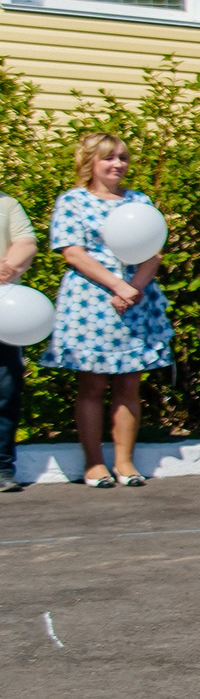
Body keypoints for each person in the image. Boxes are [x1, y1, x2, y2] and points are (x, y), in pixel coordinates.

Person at [43, 132, 174, 487]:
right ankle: (93, 464)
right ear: (90, 163)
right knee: (92, 385)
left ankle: (125, 463)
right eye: (108, 158)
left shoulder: (139, 201)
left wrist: (135, 287)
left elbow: (154, 249)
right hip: (92, 302)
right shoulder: (72, 201)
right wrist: (116, 285)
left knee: (129, 384)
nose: (117, 164)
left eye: (122, 157)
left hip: (135, 300)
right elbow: (72, 252)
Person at [0, 189, 37, 491]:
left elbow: (25, 242)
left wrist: (8, 268)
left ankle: (1, 468)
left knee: (5, 391)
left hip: (5, 314)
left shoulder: (8, 204)